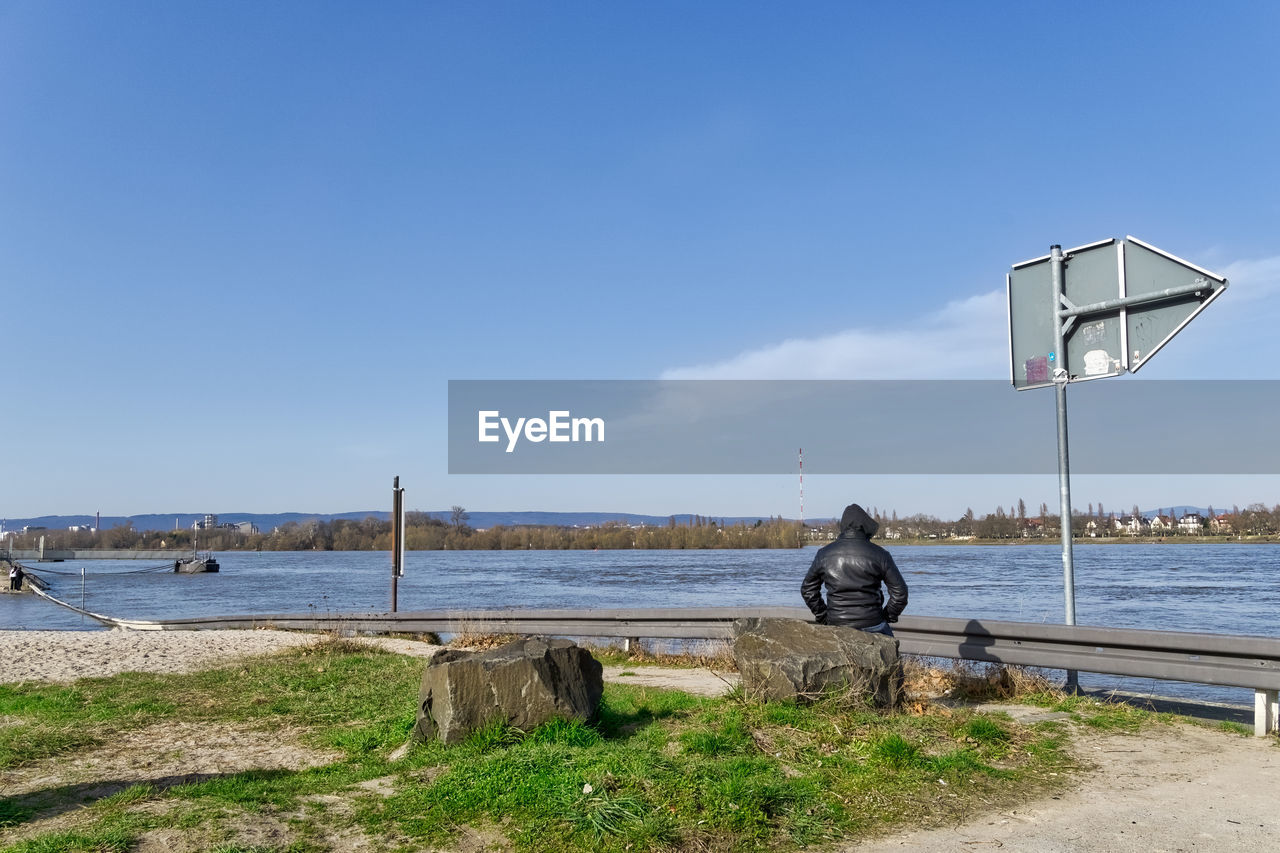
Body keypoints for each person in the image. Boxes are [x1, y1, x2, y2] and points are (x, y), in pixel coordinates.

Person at [801, 503, 908, 636]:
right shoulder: (880, 554)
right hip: (873, 624)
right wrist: (887, 617)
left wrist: (823, 616)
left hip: (837, 624)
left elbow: (807, 589)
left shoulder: (824, 554)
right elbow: (900, 593)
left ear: (843, 526)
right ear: (865, 526)